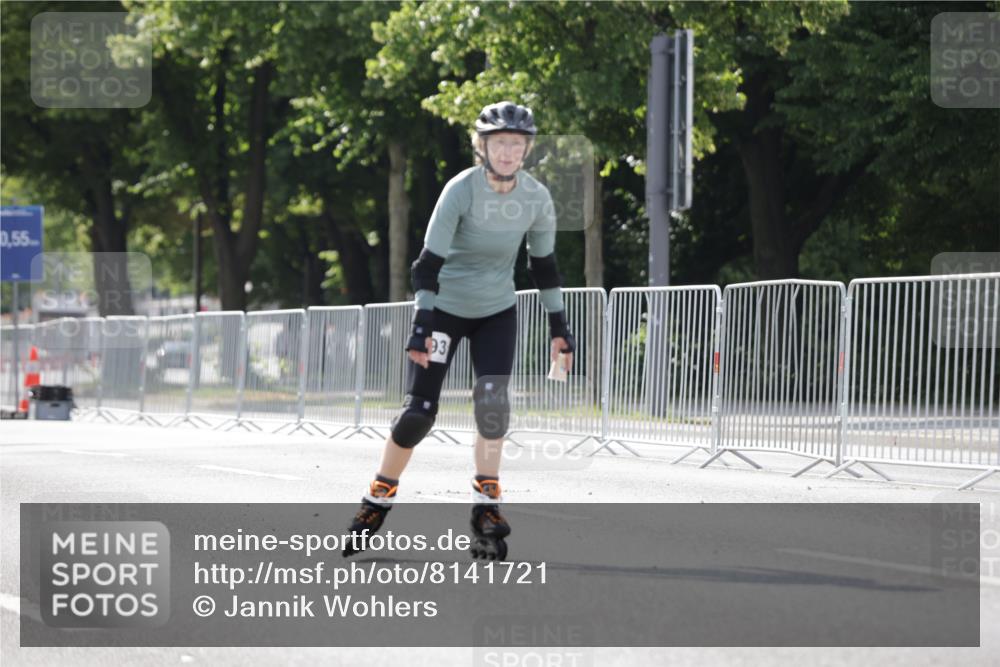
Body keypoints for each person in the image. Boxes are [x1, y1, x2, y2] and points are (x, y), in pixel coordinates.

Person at [343, 101, 576, 561]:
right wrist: (421, 324)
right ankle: (377, 499)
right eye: (499, 144)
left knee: (493, 407)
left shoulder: (536, 198)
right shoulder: (460, 191)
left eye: (516, 144)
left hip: (496, 312)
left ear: (526, 150)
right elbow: (427, 265)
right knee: (417, 416)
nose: (508, 153)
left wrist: (559, 326)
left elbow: (544, 267)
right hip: (445, 310)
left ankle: (486, 508)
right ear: (482, 147)